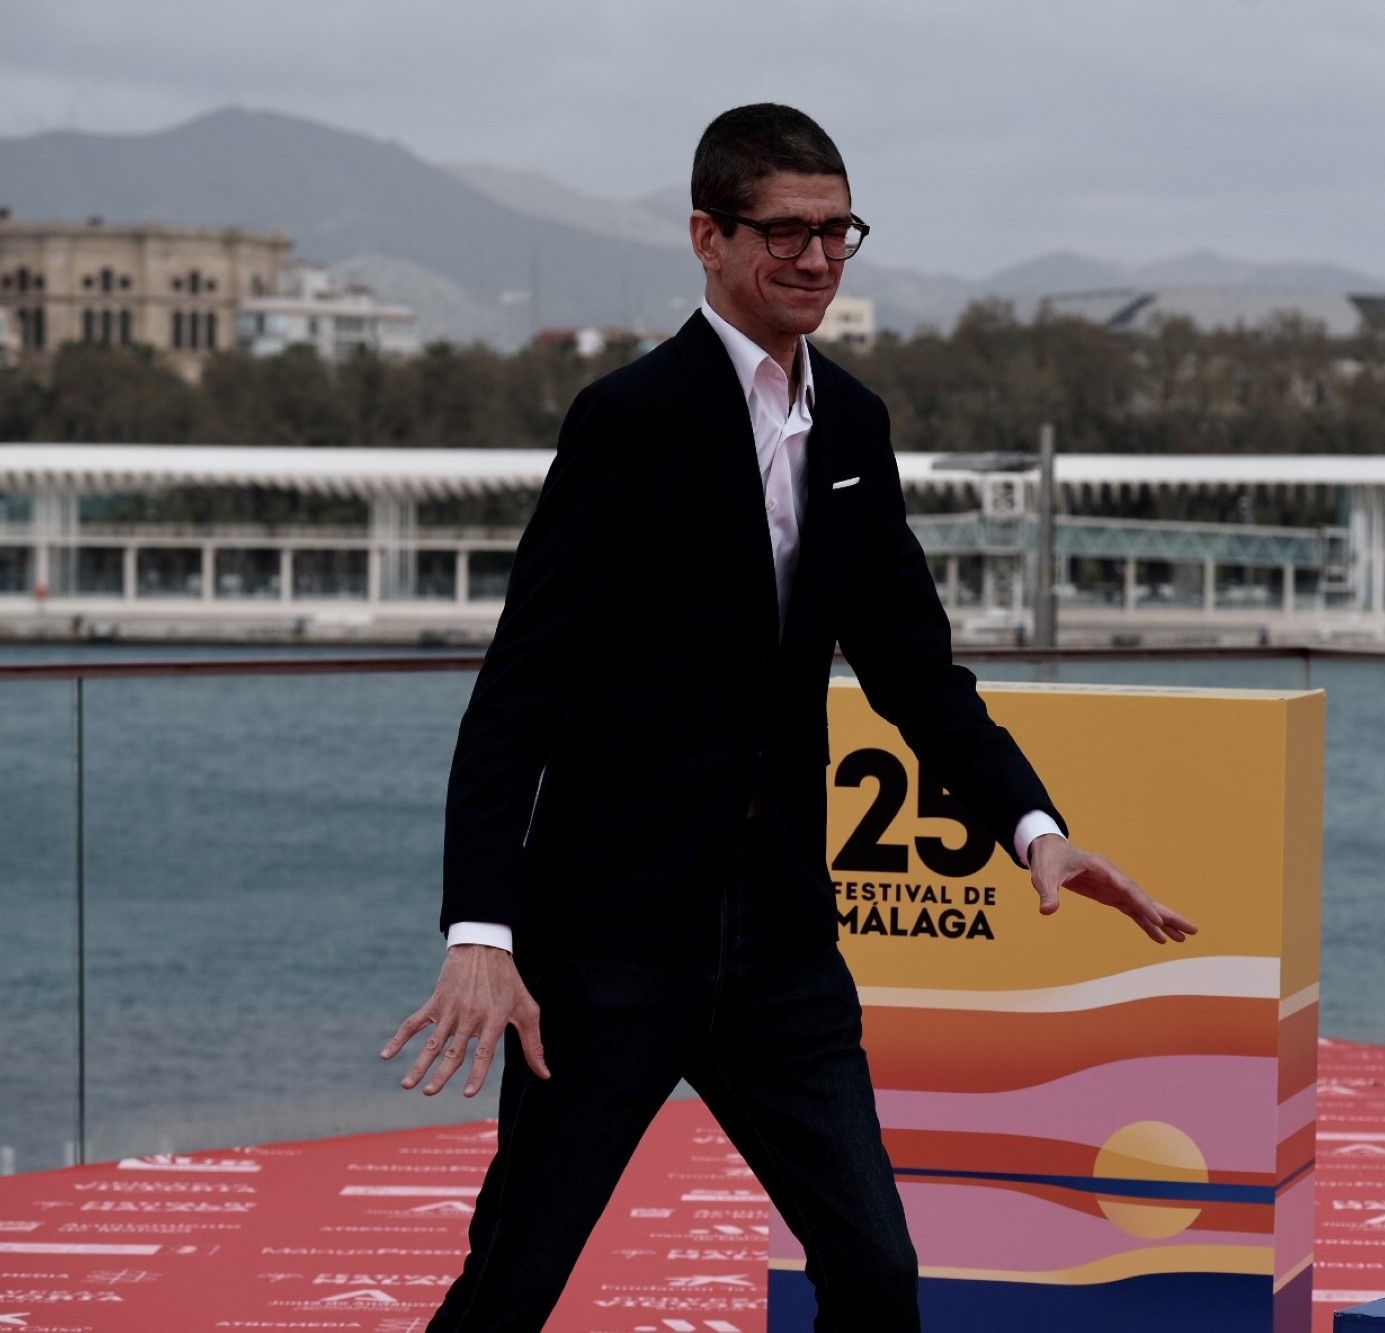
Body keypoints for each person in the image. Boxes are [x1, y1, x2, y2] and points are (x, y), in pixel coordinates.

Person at [381, 103, 1197, 1331]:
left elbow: (917, 673)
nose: (814, 258)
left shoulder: (855, 424)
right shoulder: (629, 420)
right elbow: (521, 691)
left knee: (877, 1274)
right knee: (514, 1280)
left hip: (778, 946)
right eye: (784, 232)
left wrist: (1032, 828)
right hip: (608, 947)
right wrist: (480, 928)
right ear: (708, 238)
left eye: (837, 231)